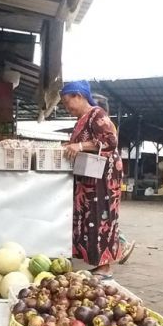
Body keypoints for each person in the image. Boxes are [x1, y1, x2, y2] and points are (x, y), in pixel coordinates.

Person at [61, 80, 124, 279]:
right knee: (89, 219)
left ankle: (105, 268)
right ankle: (96, 262)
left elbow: (111, 140)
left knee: (101, 217)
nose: (66, 107)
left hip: (103, 179)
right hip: (89, 178)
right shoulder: (82, 119)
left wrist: (79, 146)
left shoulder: (97, 114)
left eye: (66, 102)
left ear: (78, 96)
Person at [92, 93, 135, 265]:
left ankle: (121, 245)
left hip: (107, 173)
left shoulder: (105, 126)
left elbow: (102, 148)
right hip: (108, 172)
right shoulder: (106, 124)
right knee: (106, 214)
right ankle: (120, 245)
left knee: (106, 214)